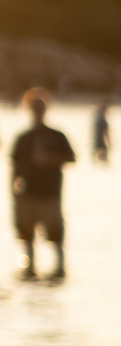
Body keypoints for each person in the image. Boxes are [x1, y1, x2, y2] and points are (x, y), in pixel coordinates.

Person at [11, 89, 76, 281]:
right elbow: (14, 168)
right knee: (26, 235)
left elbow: (72, 157)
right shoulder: (23, 138)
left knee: (55, 234)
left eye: (41, 107)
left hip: (50, 193)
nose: (38, 111)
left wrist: (51, 160)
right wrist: (13, 195)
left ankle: (59, 268)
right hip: (27, 194)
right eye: (34, 107)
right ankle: (29, 268)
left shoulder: (57, 136)